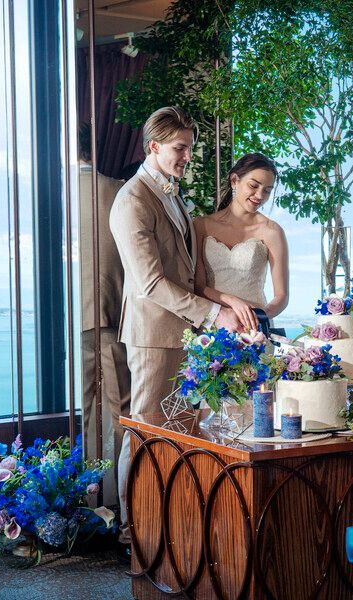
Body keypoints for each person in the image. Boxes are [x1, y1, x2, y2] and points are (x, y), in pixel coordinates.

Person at [109, 107, 241, 548]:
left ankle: (169, 525)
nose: (187, 156)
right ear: (154, 146)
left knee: (180, 428)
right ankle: (133, 532)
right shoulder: (132, 200)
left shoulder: (170, 193)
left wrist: (217, 306)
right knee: (146, 431)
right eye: (180, 148)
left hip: (183, 334)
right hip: (152, 337)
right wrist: (211, 314)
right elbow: (149, 282)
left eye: (190, 148)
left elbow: (183, 270)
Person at [78, 123, 131, 504]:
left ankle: (90, 499)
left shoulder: (55, 195)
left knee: (89, 412)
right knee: (120, 412)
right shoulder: (119, 191)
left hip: (75, 317)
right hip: (113, 314)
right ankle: (121, 503)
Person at [193, 153, 289, 330]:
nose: (259, 195)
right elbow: (198, 286)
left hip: (254, 327)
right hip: (213, 324)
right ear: (234, 181)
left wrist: (259, 317)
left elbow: (282, 296)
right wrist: (232, 302)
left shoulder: (273, 232)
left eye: (267, 190)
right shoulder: (200, 226)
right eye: (254, 185)